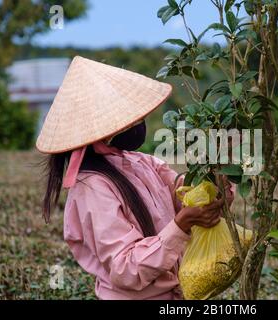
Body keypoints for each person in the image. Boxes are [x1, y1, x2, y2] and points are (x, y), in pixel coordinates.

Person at [37, 56, 233, 300]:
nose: (140, 123)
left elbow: (183, 193)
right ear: (105, 131)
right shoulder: (92, 187)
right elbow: (125, 268)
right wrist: (181, 225)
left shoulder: (141, 162)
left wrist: (218, 176)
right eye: (132, 119)